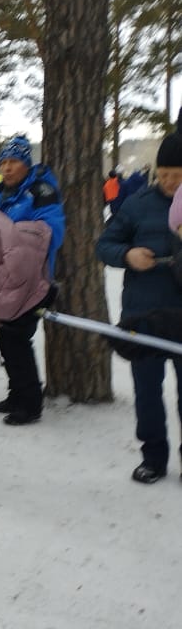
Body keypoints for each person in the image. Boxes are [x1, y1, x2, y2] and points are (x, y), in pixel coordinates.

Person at [97, 109, 182, 482]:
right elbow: (105, 245)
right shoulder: (137, 204)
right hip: (142, 315)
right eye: (164, 174)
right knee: (147, 394)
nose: (169, 182)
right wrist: (127, 255)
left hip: (179, 317)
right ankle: (153, 457)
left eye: (177, 177)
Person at [0, 136, 65, 425]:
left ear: (26, 163)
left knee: (17, 338)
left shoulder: (41, 191)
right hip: (4, 279)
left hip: (32, 281)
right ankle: (16, 394)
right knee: (7, 337)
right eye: (4, 163)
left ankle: (31, 403)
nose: (8, 168)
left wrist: (8, 233)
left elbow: (51, 231)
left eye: (14, 162)